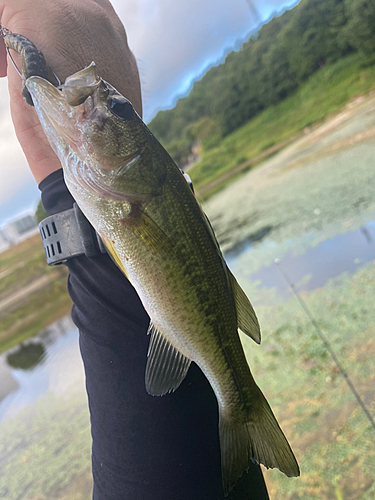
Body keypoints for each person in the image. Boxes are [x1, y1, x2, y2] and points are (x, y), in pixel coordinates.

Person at [0, 1, 270, 498]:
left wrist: (62, 188)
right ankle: (240, 402)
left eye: (113, 110)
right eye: (111, 108)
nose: (99, 106)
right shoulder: (129, 195)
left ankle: (241, 402)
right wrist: (65, 179)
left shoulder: (130, 200)